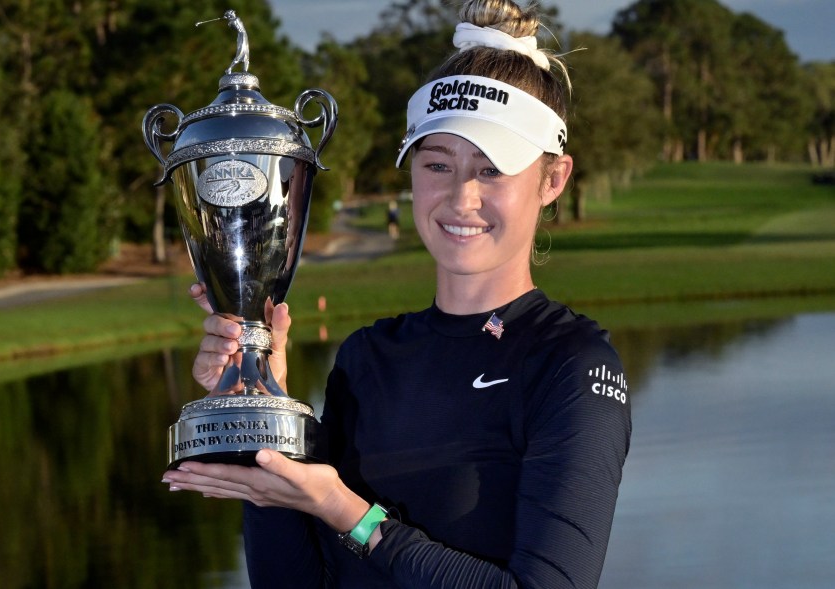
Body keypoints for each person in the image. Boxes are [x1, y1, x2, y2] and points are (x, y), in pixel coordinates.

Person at [162, 1, 632, 587]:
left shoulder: (571, 365)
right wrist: (266, 434)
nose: (460, 197)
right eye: (437, 164)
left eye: (491, 170)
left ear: (552, 179)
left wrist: (348, 513)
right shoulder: (366, 358)